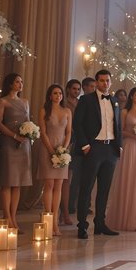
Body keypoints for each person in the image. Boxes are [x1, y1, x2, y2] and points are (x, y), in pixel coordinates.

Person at [74, 69, 122, 239]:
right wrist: (85, 145)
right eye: (101, 81)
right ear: (96, 82)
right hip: (93, 148)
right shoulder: (86, 100)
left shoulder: (114, 101)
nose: (105, 83)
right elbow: (77, 124)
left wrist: (119, 146)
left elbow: (118, 125)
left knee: (104, 190)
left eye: (107, 80)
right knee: (86, 189)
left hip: (110, 150)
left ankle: (100, 224)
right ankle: (82, 226)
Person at [106, 87, 136, 232]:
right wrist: (134, 135)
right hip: (130, 146)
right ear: (131, 96)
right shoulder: (125, 112)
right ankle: (124, 218)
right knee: (128, 179)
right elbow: (120, 131)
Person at [0, 73, 32, 230]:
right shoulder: (3, 101)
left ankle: (14, 217)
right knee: (8, 181)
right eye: (17, 81)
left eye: (21, 81)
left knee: (18, 183)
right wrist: (14, 135)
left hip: (23, 143)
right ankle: (6, 217)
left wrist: (29, 132)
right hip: (9, 142)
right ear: (10, 84)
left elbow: (27, 121)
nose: (20, 84)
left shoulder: (25, 102)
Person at [37, 84, 71, 235]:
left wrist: (63, 149)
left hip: (62, 149)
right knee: (49, 183)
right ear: (50, 96)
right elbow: (42, 132)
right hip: (47, 148)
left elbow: (69, 132)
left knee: (59, 184)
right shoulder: (44, 110)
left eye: (60, 93)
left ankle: (55, 220)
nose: (58, 96)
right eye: (55, 93)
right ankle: (47, 218)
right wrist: (51, 151)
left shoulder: (67, 111)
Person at [60, 78, 82, 226]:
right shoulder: (63, 104)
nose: (76, 91)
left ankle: (69, 210)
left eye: (78, 89)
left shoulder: (81, 104)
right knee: (64, 179)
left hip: (78, 142)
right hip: (64, 141)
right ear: (68, 89)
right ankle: (63, 212)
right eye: (74, 88)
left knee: (74, 178)